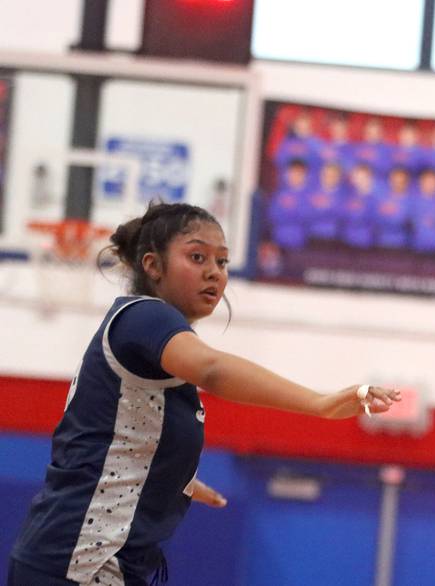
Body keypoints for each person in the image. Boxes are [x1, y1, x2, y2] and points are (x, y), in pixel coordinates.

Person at [8, 202, 400, 586]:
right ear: (153, 266)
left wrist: (174, 478)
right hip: (79, 562)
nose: (214, 272)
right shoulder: (146, 316)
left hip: (76, 560)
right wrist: (322, 403)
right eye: (197, 257)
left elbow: (105, 437)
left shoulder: (144, 338)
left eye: (222, 262)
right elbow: (213, 370)